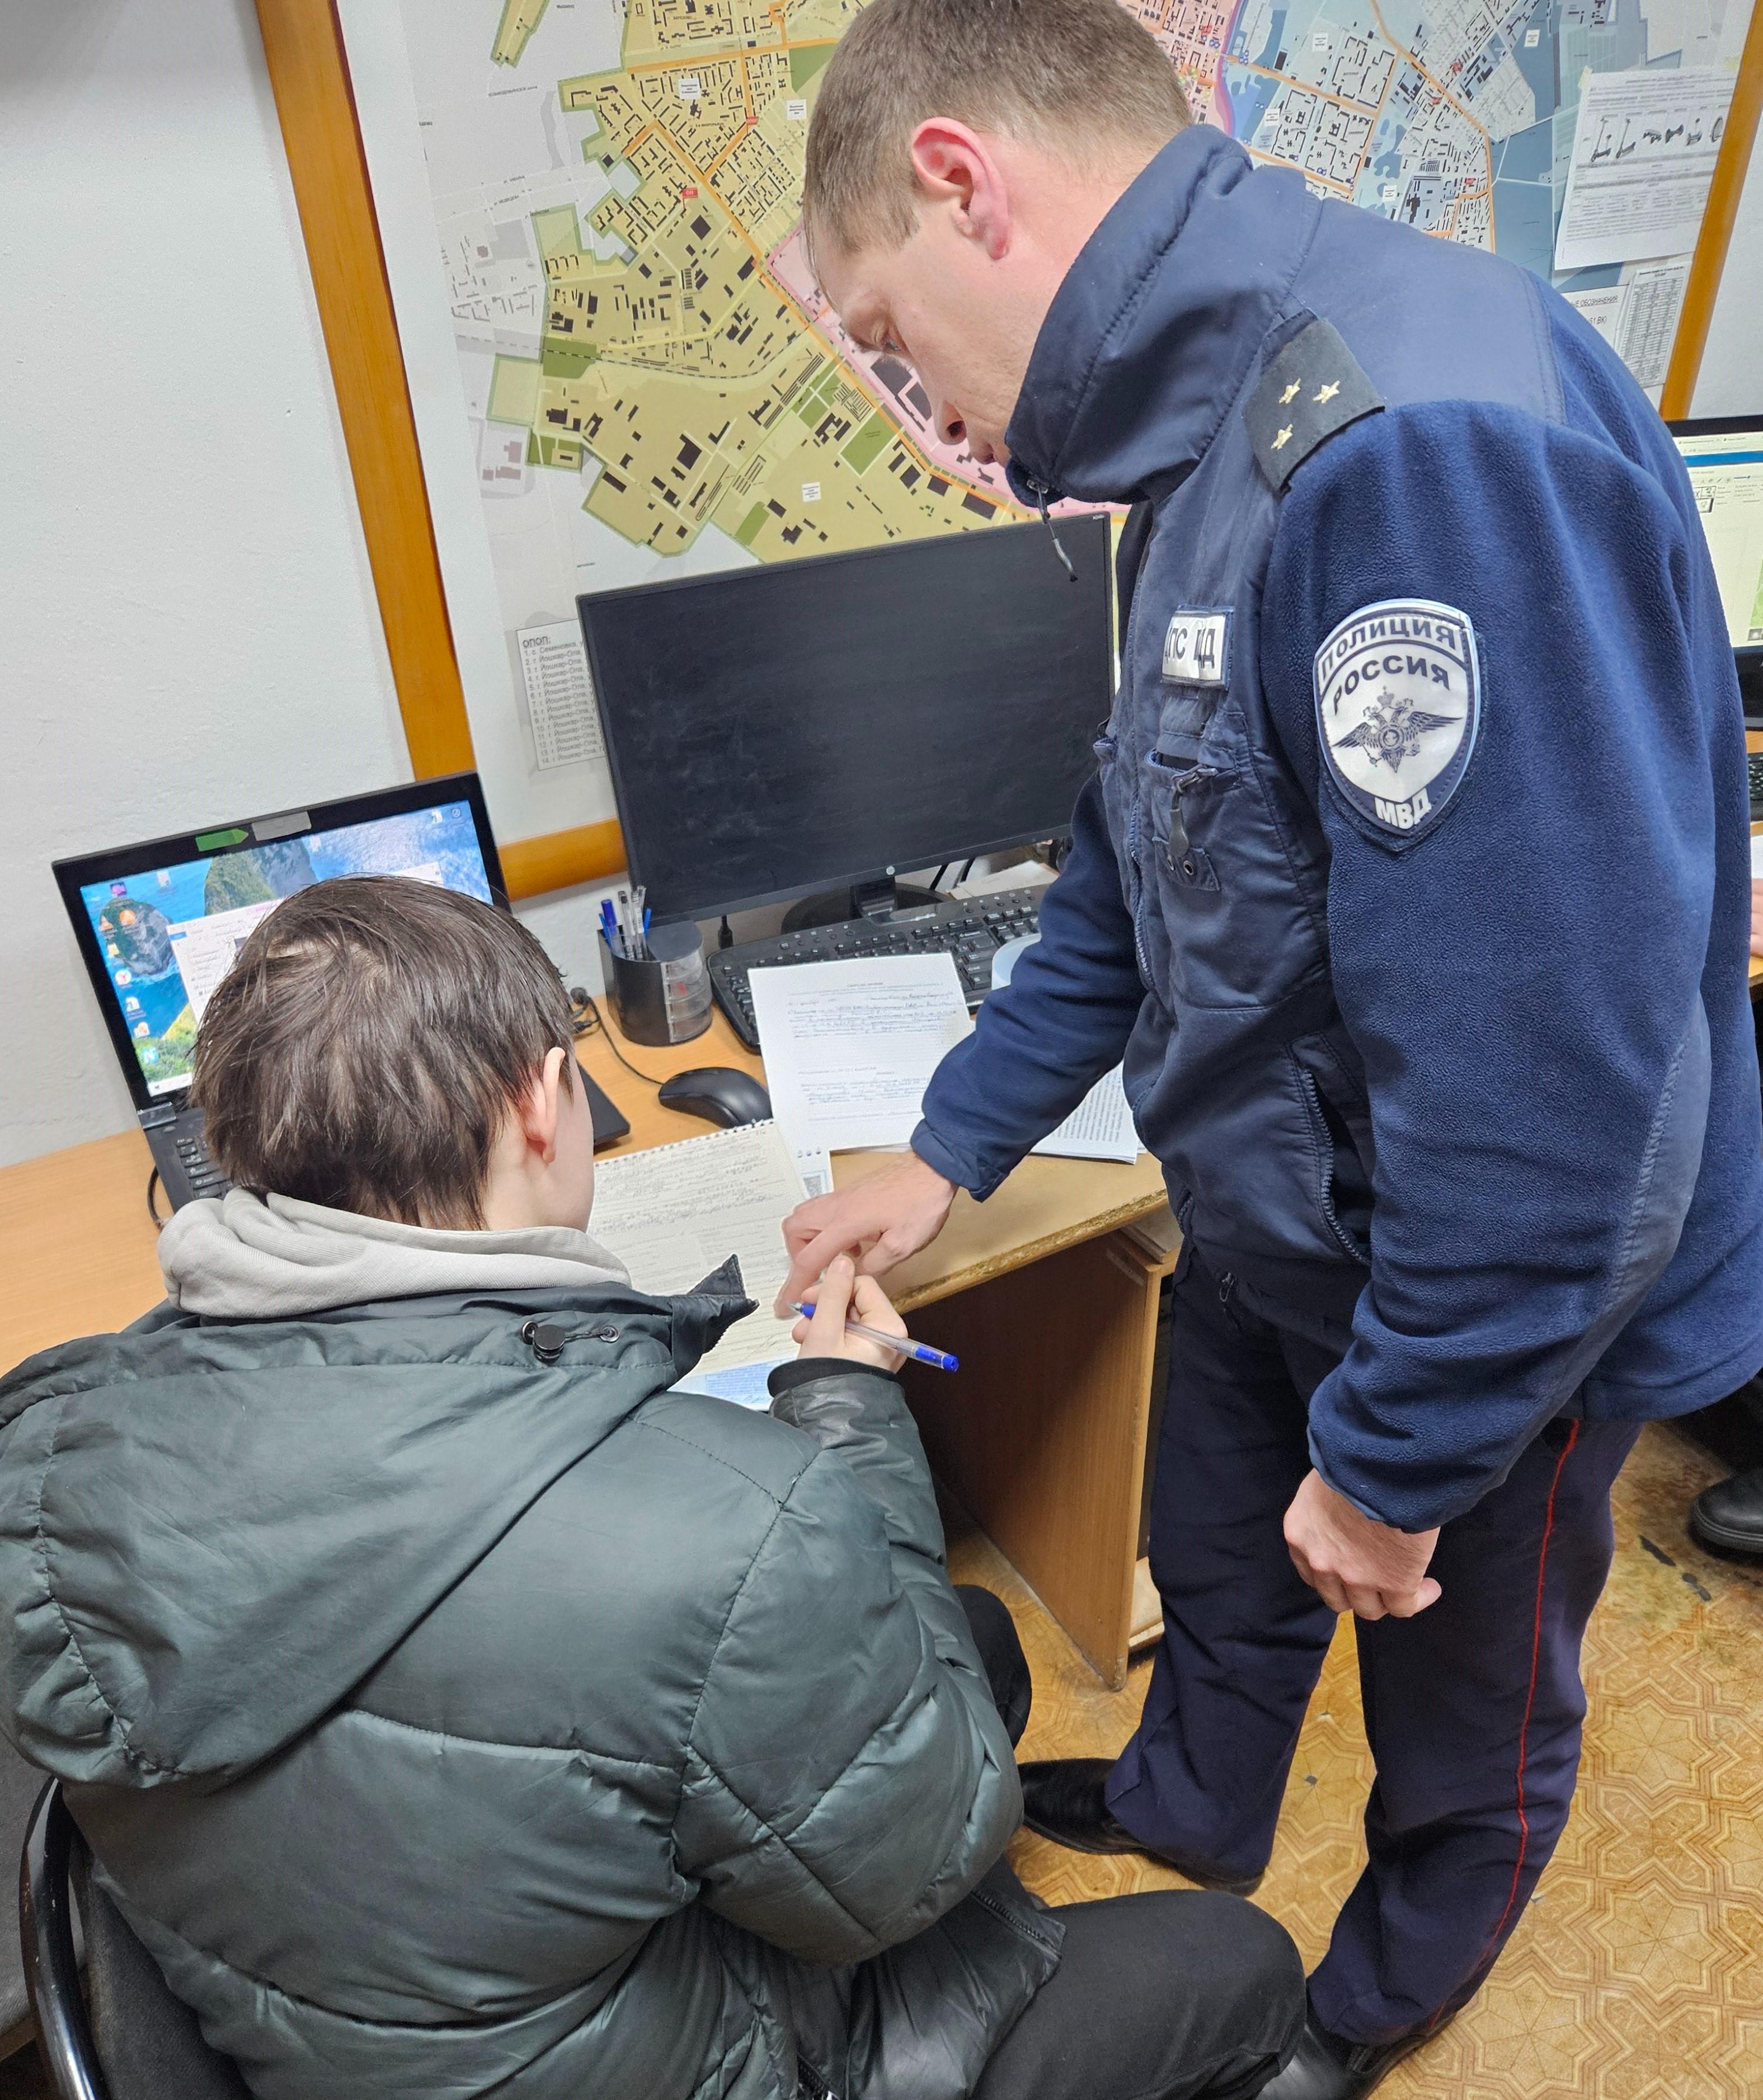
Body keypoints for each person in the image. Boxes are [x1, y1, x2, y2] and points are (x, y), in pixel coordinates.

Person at [776, 3, 1763, 2093]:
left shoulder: (1408, 447)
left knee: (1463, 1708)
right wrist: (949, 1149)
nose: (901, 401)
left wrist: (1400, 1461)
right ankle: (1196, 1805)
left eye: (883, 331)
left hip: (1472, 1305)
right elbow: (1137, 869)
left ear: (965, 183)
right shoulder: (1200, 441)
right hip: (1267, 1212)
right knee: (1223, 1564)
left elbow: (1557, 1101)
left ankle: (1378, 1998)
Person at [0, 877, 1302, 2100]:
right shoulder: (718, 1529)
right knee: (1240, 1963)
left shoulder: (52, 1435)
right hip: (696, 2061)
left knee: (971, 1644)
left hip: (368, 2008)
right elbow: (926, 1856)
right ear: (541, 1101)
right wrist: (849, 1408)